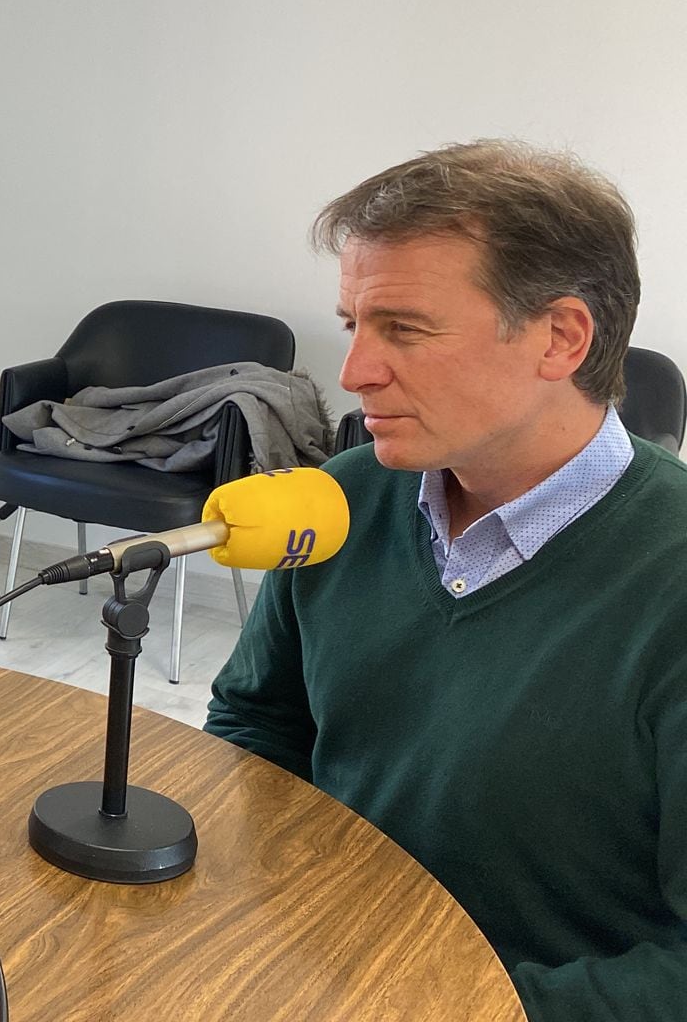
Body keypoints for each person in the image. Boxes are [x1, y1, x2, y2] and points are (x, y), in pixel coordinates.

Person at [205, 140, 687, 1021]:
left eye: (406, 329)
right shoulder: (342, 502)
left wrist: (435, 1003)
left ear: (562, 337)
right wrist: (268, 919)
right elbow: (257, 719)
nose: (354, 374)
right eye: (354, 324)